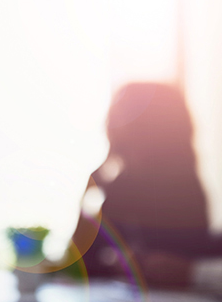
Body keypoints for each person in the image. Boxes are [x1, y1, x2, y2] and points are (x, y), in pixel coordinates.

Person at [71, 82, 222, 290]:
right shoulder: (117, 184)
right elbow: (80, 262)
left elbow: (181, 260)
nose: (113, 125)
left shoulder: (182, 188)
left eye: (125, 116)